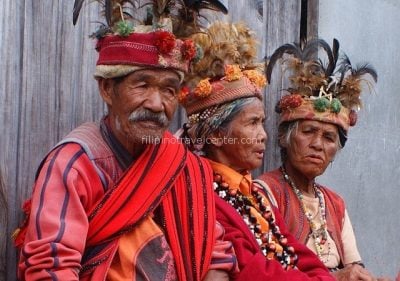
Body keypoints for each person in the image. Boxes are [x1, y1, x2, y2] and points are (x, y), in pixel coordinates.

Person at [14, 1, 236, 280]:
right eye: (142, 85)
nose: (157, 104)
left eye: (168, 90)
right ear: (107, 89)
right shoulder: (75, 166)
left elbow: (214, 253)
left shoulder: (183, 166)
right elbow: (51, 268)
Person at [178, 21, 335, 281]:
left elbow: (292, 249)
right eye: (252, 123)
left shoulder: (249, 192)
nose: (263, 136)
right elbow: (251, 270)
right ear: (217, 136)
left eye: (261, 123)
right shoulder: (204, 195)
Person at [258, 39, 390, 281]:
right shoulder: (265, 192)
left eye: (329, 137)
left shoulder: (334, 203)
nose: (318, 144)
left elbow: (354, 267)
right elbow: (266, 270)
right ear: (285, 138)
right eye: (308, 132)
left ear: (335, 150)